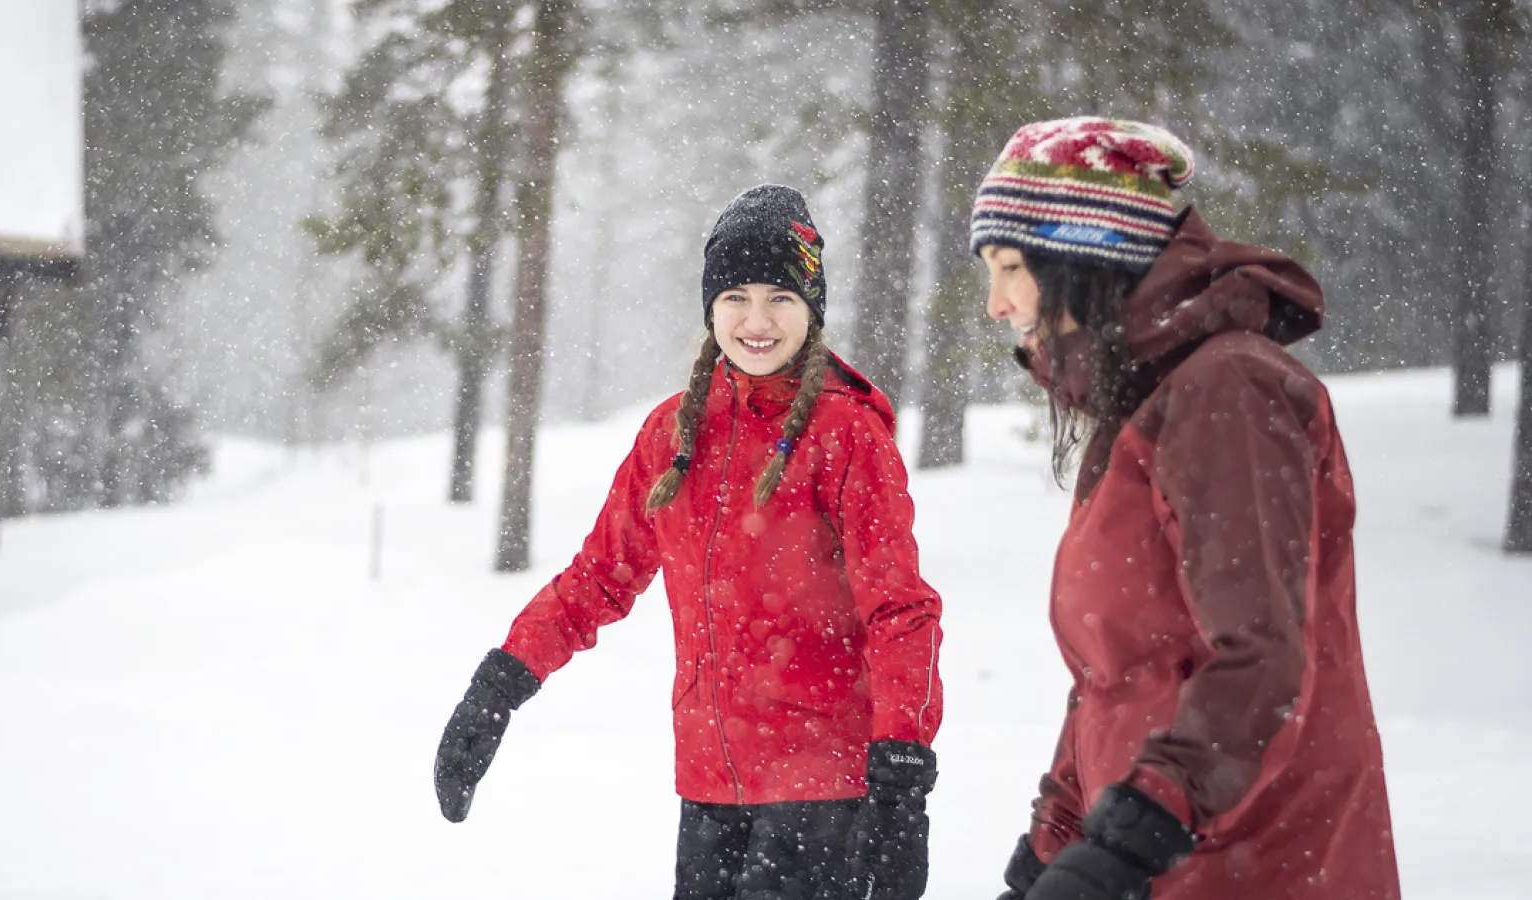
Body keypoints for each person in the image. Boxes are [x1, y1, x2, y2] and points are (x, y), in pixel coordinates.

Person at [433, 184, 945, 900]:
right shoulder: (672, 434)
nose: (757, 320)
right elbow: (599, 578)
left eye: (781, 298)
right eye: (736, 296)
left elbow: (900, 609)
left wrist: (901, 776)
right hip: (709, 785)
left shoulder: (845, 435)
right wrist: (499, 686)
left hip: (821, 788)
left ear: (812, 311)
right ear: (710, 308)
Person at [968, 117, 1401, 900]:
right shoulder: (1142, 403)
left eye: (1009, 267)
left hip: (1250, 859)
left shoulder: (1226, 391)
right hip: (1163, 855)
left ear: (1083, 255)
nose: (996, 304)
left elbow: (1259, 655)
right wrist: (1055, 844)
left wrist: (1129, 842)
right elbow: (1116, 678)